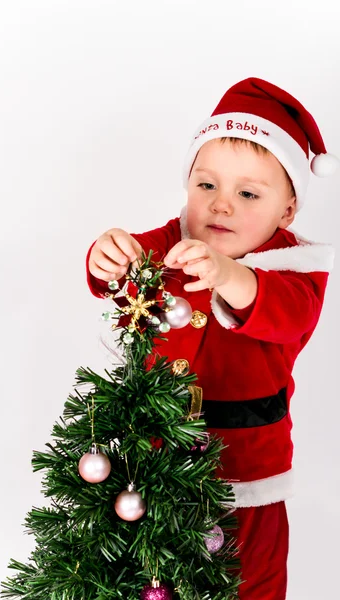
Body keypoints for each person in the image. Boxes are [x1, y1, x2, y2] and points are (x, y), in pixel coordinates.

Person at [85, 77, 338, 599]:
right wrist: (105, 255)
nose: (220, 205)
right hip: (151, 464)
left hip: (247, 479)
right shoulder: (177, 241)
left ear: (287, 212)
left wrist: (227, 273)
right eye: (206, 186)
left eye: (247, 193)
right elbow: (123, 268)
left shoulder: (297, 270)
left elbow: (282, 312)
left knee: (252, 583)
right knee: (142, 578)